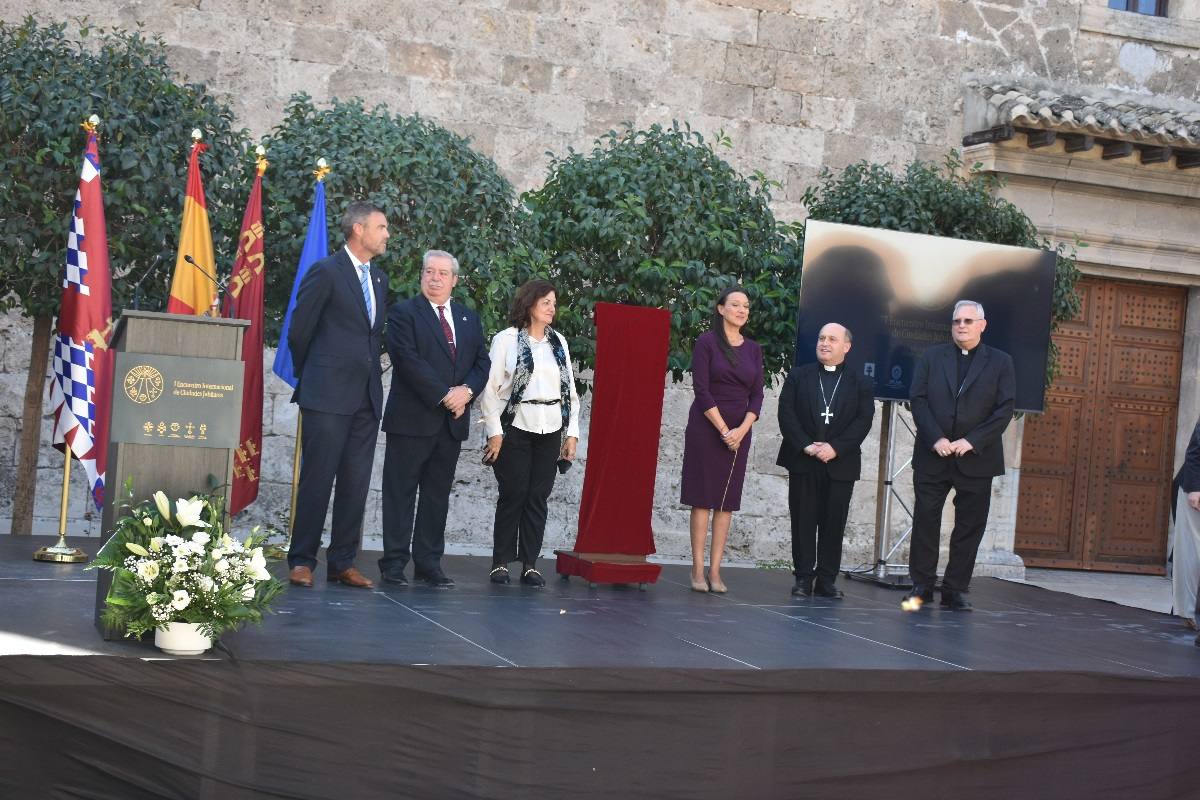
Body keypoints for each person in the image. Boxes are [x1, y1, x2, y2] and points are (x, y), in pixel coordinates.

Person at [286, 201, 390, 589]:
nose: (387, 234)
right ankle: (301, 560)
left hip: (365, 397)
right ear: (359, 230)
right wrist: (315, 376)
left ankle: (343, 561)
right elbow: (300, 331)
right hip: (326, 396)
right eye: (381, 227)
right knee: (317, 479)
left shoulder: (379, 279)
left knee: (355, 481)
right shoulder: (326, 271)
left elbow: (372, 336)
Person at [378, 250, 489, 587]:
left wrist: (467, 391)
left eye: (443, 273)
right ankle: (394, 563)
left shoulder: (468, 318)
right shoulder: (403, 314)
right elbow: (407, 361)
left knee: (437, 495)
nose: (435, 278)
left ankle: (428, 563)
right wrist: (447, 395)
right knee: (400, 493)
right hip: (412, 420)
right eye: (429, 271)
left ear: (454, 280)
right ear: (421, 276)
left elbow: (481, 363)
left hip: (450, 425)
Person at [904, 300, 1015, 611]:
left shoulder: (1001, 362)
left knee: (969, 526)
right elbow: (918, 399)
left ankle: (955, 589)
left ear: (982, 324)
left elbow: (1004, 408)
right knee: (926, 521)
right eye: (956, 321)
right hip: (933, 455)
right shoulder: (931, 357)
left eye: (968, 320)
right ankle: (921, 586)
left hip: (976, 458)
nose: (961, 326)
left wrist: (972, 440)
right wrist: (935, 437)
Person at [479, 280, 580, 587]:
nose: (552, 308)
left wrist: (571, 434)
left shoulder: (557, 341)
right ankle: (500, 562)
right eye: (546, 302)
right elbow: (491, 391)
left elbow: (570, 393)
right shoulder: (507, 340)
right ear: (530, 304)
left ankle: (530, 564)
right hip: (516, 425)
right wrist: (495, 432)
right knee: (514, 493)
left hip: (550, 426)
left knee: (538, 496)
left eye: (554, 302)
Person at [777, 323, 875, 599]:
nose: (825, 343)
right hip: (803, 461)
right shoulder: (799, 376)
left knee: (834, 523)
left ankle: (827, 580)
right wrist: (807, 445)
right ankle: (803, 579)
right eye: (821, 338)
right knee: (803, 521)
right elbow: (786, 414)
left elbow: (863, 421)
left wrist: (835, 448)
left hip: (840, 464)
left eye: (832, 339)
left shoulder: (861, 383)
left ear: (846, 346)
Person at [680, 287, 764, 594]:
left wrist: (741, 429)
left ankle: (716, 571)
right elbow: (701, 390)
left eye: (746, 306)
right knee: (703, 499)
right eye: (735, 305)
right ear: (721, 309)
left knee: (726, 503)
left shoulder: (754, 349)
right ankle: (697, 570)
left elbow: (757, 395)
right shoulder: (706, 343)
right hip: (707, 427)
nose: (742, 310)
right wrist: (723, 429)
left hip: (740, 432)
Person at [1172, 415, 1200, 646]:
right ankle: (1187, 610)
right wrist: (1194, 489)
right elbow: (1194, 452)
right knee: (1190, 552)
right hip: (1194, 491)